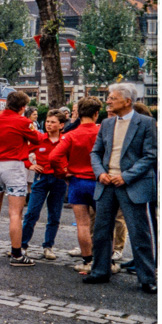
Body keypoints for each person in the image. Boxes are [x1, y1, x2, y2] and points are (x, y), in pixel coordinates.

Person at [83, 84, 157, 293]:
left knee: (139, 233)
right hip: (106, 184)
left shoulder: (146, 123)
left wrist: (126, 176)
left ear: (127, 101)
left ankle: (147, 278)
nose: (108, 101)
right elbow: (95, 153)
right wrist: (100, 173)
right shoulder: (106, 124)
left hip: (131, 184)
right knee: (101, 231)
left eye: (113, 98)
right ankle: (99, 272)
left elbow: (150, 155)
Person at [0, 91, 41, 265]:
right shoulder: (24, 122)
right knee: (15, 213)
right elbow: (37, 139)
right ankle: (16, 253)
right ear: (23, 107)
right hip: (14, 166)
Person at [49, 98, 101, 273]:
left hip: (77, 181)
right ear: (96, 113)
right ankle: (104, 260)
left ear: (78, 113)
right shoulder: (101, 131)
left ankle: (87, 261)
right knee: (103, 224)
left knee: (83, 225)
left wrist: (62, 172)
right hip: (99, 181)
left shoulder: (71, 134)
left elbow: (53, 157)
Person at [20, 110, 68, 259]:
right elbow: (23, 153)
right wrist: (30, 165)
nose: (49, 124)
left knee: (54, 215)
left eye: (53, 122)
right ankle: (22, 245)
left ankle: (48, 246)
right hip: (41, 179)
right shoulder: (39, 138)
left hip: (59, 180)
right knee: (32, 213)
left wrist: (69, 170)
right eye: (47, 121)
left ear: (61, 125)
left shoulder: (66, 140)